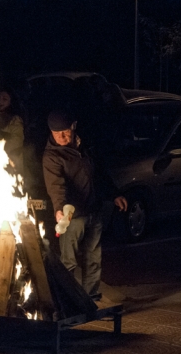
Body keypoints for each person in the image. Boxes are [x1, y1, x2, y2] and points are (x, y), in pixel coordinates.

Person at [42, 109, 128, 300]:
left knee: (93, 258)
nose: (62, 137)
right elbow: (56, 186)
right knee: (69, 261)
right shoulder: (52, 156)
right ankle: (69, 300)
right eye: (57, 134)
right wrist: (59, 209)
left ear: (73, 126)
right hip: (72, 217)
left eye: (65, 131)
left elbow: (98, 174)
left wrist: (114, 194)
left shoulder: (85, 145)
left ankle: (91, 298)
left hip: (93, 209)